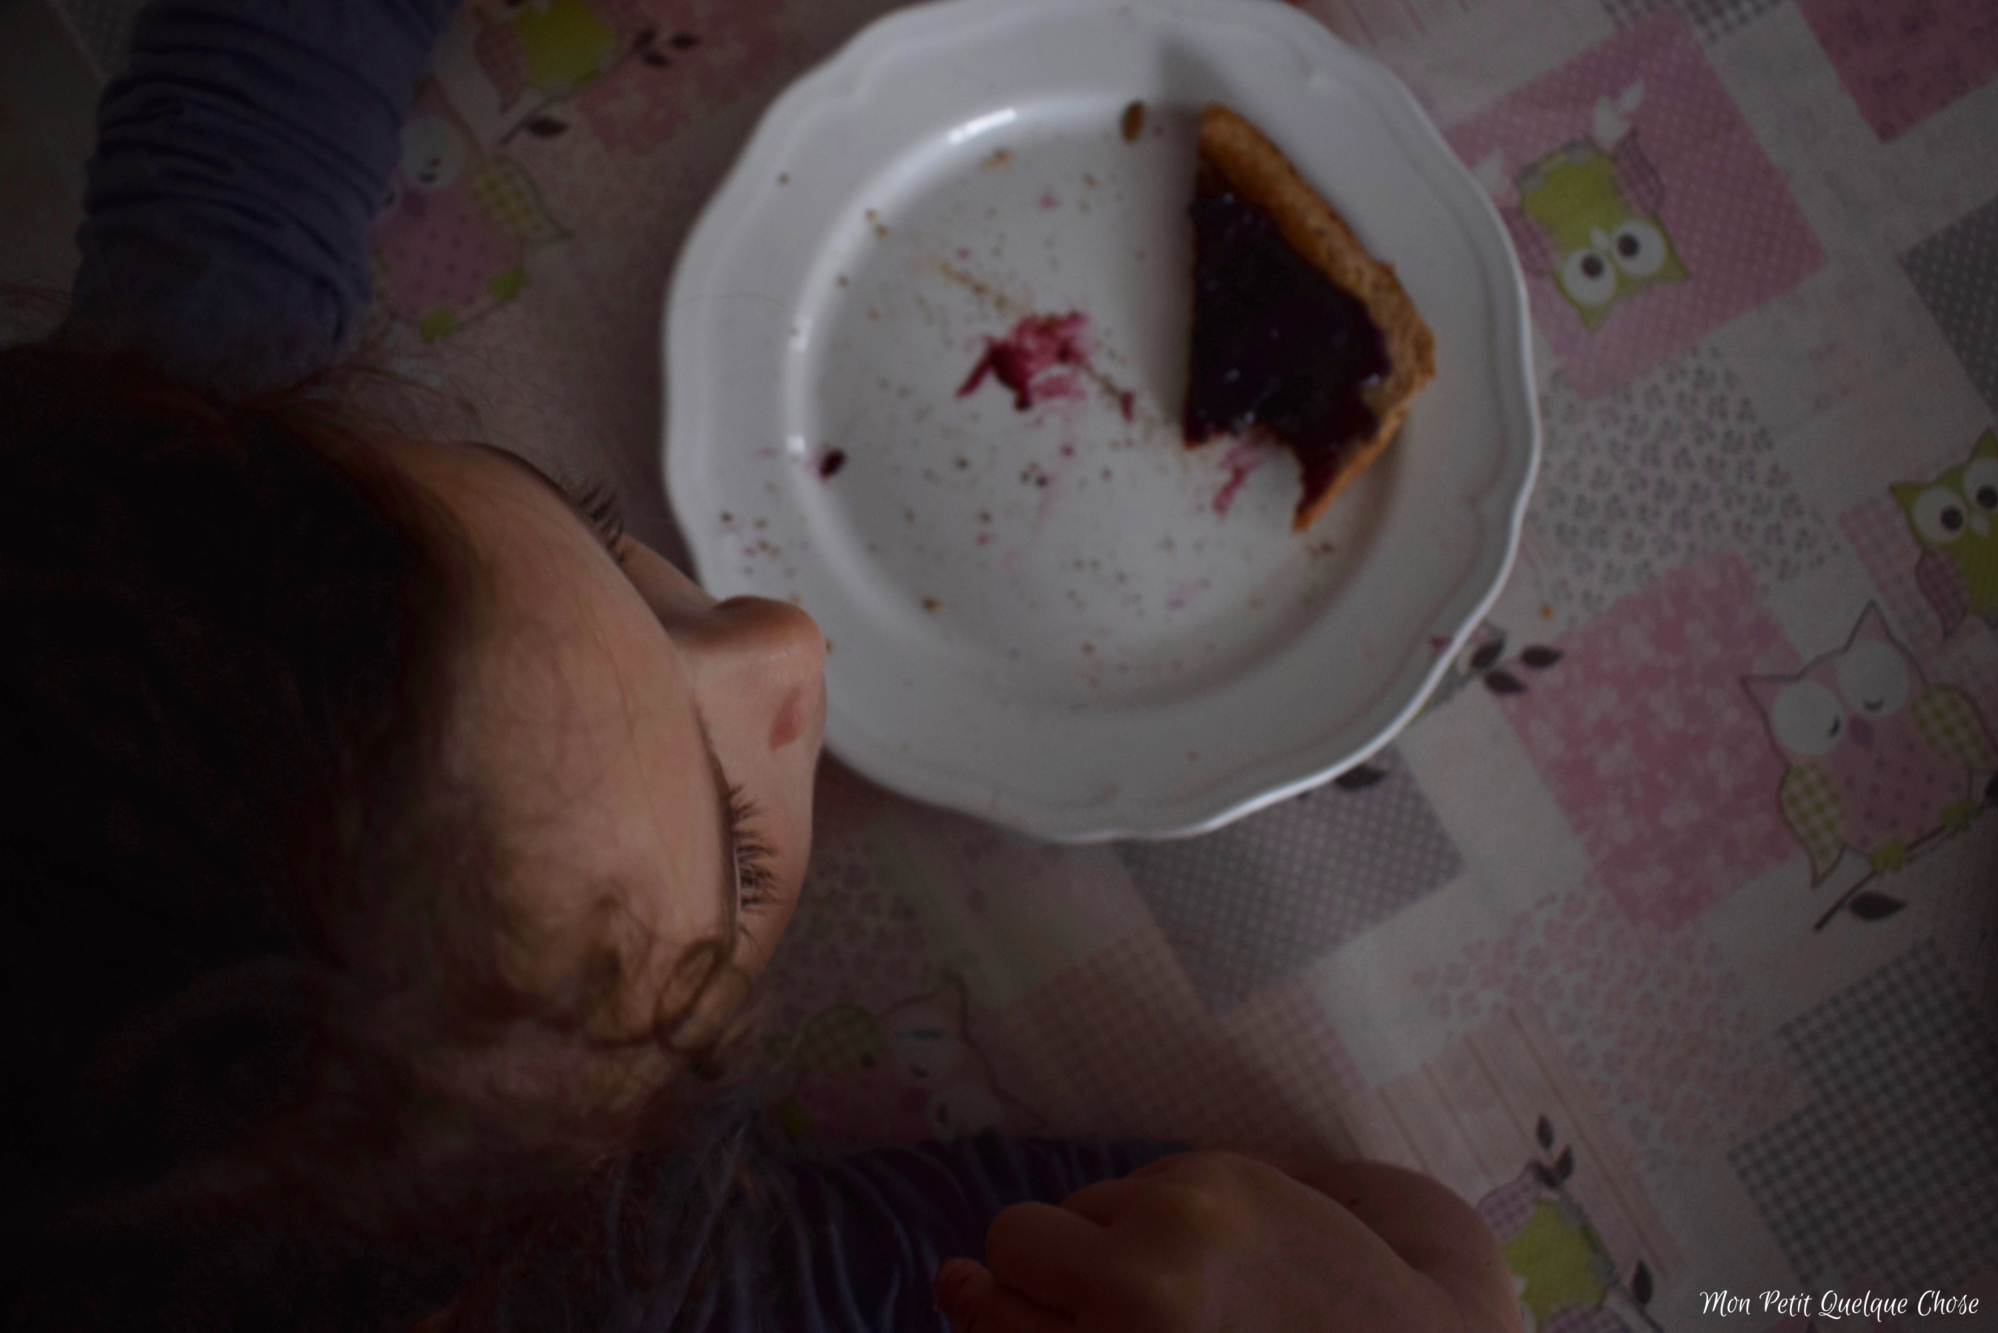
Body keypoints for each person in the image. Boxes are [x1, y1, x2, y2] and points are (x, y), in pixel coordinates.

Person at [0, 0, 1522, 1329]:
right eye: (735, 851)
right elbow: (1285, 1249)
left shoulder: (191, 517)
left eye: (593, 531)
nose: (785, 644)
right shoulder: (664, 1281)